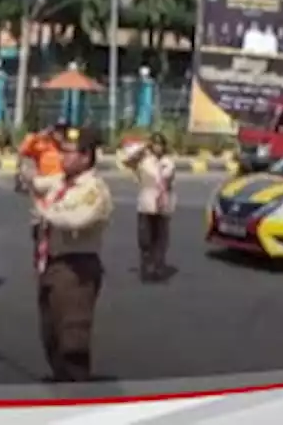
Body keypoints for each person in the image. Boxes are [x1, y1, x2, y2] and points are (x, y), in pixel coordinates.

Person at [22, 127, 113, 382]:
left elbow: (77, 219)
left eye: (69, 152)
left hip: (76, 269)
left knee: (73, 338)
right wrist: (28, 164)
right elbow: (35, 182)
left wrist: (45, 213)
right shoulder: (61, 182)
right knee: (50, 333)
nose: (62, 157)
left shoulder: (94, 189)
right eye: (61, 151)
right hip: (51, 265)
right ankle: (61, 380)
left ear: (86, 157)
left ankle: (77, 391)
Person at [124, 132, 176, 282]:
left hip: (163, 204)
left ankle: (158, 268)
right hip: (146, 203)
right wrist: (143, 147)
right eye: (154, 144)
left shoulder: (169, 162)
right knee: (145, 238)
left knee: (160, 238)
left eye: (160, 144)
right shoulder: (144, 161)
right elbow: (127, 160)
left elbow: (170, 182)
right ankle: (146, 267)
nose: (157, 147)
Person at [18, 118, 69, 254]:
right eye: (58, 130)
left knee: (60, 222)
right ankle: (39, 249)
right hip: (45, 186)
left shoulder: (69, 148)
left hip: (63, 188)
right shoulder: (43, 145)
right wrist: (40, 135)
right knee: (40, 220)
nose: (60, 134)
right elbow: (23, 149)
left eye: (63, 130)